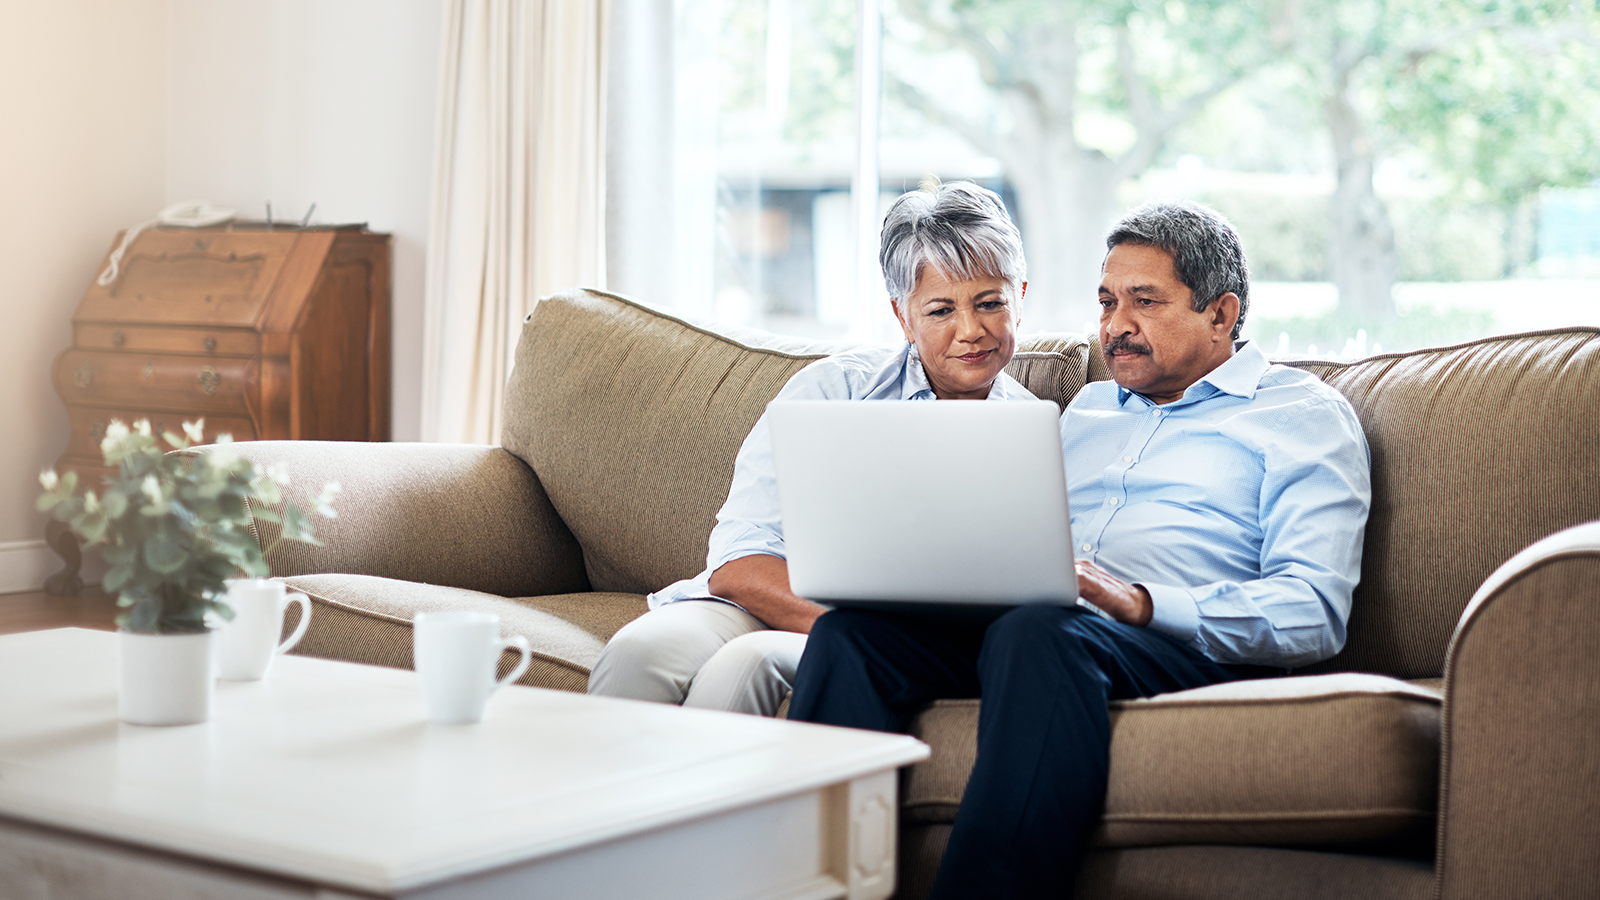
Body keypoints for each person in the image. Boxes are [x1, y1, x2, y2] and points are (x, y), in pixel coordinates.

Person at [787, 201, 1373, 899]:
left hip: (1178, 647)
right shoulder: (1085, 411)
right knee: (857, 636)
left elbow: (1314, 612)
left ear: (1220, 314)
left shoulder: (1300, 416)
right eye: (1106, 301)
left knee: (1040, 631)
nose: (1115, 325)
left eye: (1144, 302)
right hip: (1047, 629)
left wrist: (1143, 603)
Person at [586, 179, 1040, 716]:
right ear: (903, 316)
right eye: (941, 310)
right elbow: (738, 562)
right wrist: (851, 629)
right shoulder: (832, 390)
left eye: (989, 303)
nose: (971, 330)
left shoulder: (1036, 433)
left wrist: (873, 639)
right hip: (769, 605)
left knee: (742, 670)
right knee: (639, 653)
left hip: (873, 641)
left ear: (1020, 297)